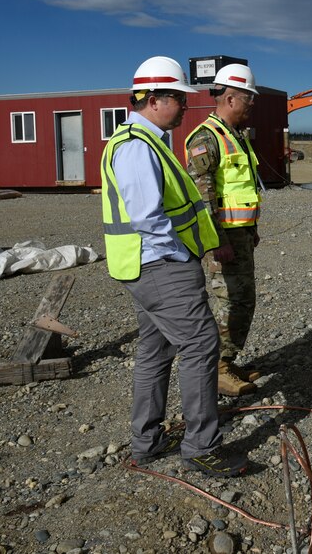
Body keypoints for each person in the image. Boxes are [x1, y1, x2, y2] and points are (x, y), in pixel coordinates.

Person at [100, 56, 248, 478]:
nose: (185, 106)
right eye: (178, 98)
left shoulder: (147, 142)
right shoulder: (136, 147)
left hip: (145, 267)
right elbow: (148, 216)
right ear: (154, 100)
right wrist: (182, 255)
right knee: (201, 346)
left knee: (155, 349)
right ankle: (201, 446)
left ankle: (146, 442)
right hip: (161, 266)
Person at [184, 63, 263, 397]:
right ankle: (217, 368)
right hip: (223, 237)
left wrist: (252, 229)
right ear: (230, 98)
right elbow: (203, 197)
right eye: (249, 98)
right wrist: (217, 241)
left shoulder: (236, 137)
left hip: (240, 233)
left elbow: (243, 188)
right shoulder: (206, 138)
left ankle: (228, 361)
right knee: (227, 301)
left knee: (243, 299)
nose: (252, 105)